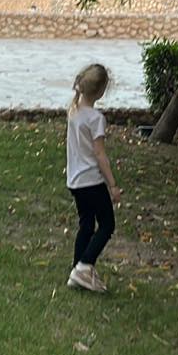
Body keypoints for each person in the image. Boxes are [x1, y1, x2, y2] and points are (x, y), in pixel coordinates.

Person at [65, 63, 119, 293]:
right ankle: (84, 266)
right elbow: (99, 154)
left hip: (76, 181)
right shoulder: (95, 118)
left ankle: (77, 269)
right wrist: (113, 185)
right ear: (101, 91)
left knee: (86, 225)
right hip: (91, 181)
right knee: (107, 224)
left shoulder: (74, 111)